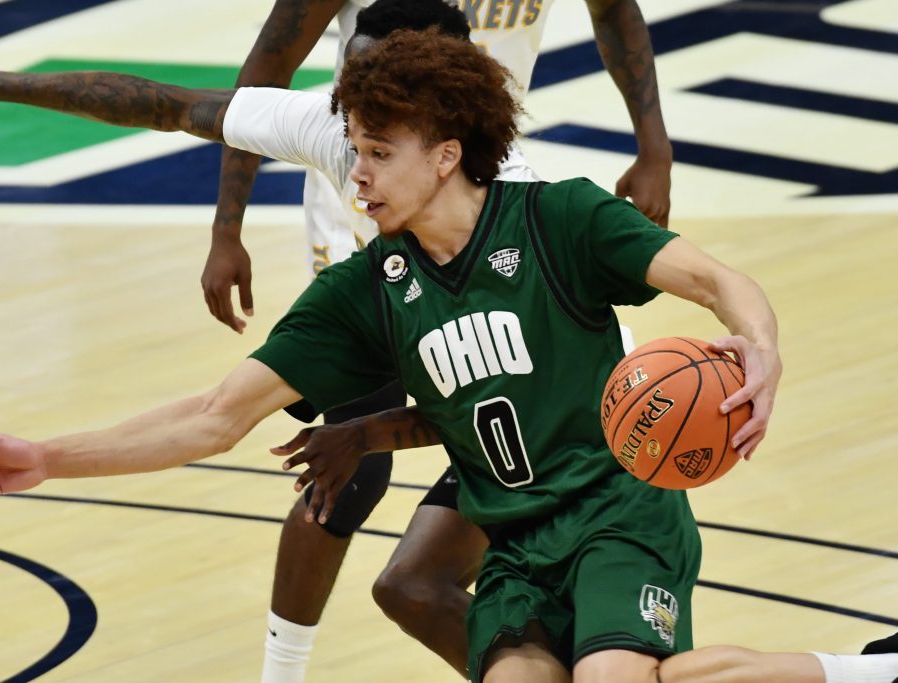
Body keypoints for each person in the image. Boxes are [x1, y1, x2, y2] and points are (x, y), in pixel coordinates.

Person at [0, 28, 897, 683]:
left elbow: (719, 281)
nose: (355, 172)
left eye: (377, 151)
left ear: (448, 150)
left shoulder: (560, 217)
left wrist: (760, 351)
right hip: (513, 540)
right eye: (353, 147)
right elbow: (211, 414)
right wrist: (42, 455)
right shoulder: (367, 291)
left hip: (615, 509)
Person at [0, 3, 535, 676]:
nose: (354, 124)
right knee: (413, 588)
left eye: (381, 101)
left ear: (442, 128)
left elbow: (531, 402)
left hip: (587, 450)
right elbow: (165, 105)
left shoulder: (526, 223)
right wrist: (46, 458)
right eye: (352, 89)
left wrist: (370, 434)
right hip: (498, 437)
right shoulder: (352, 215)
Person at [200, 1, 671, 678]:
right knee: (350, 475)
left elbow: (615, 11)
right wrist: (226, 229)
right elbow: (261, 75)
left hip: (473, 227)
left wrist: (653, 142)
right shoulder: (339, 142)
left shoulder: (528, 202)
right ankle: (282, 671)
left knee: (419, 569)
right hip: (368, 238)